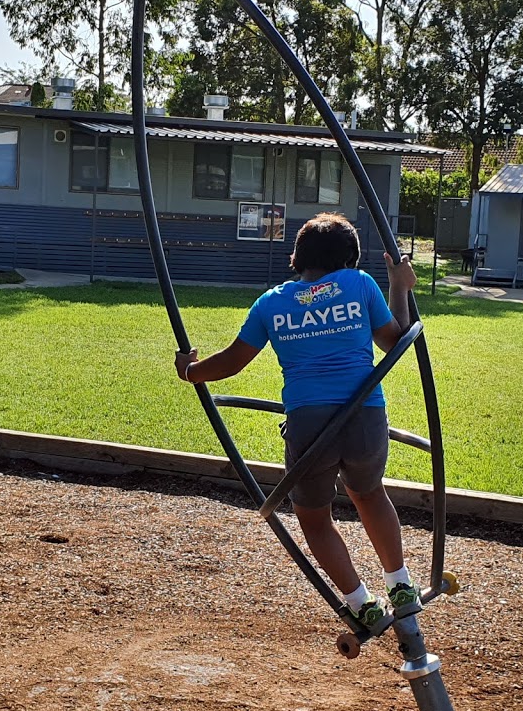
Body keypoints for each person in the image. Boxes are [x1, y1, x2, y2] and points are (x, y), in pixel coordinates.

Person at [174, 212, 421, 630]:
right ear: (350, 258)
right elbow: (395, 341)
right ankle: (399, 582)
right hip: (365, 415)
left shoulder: (272, 303)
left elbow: (233, 361)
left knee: (314, 516)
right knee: (370, 494)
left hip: (309, 424)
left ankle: (361, 603)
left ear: (297, 256)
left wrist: (190, 371)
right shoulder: (359, 284)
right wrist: (400, 286)